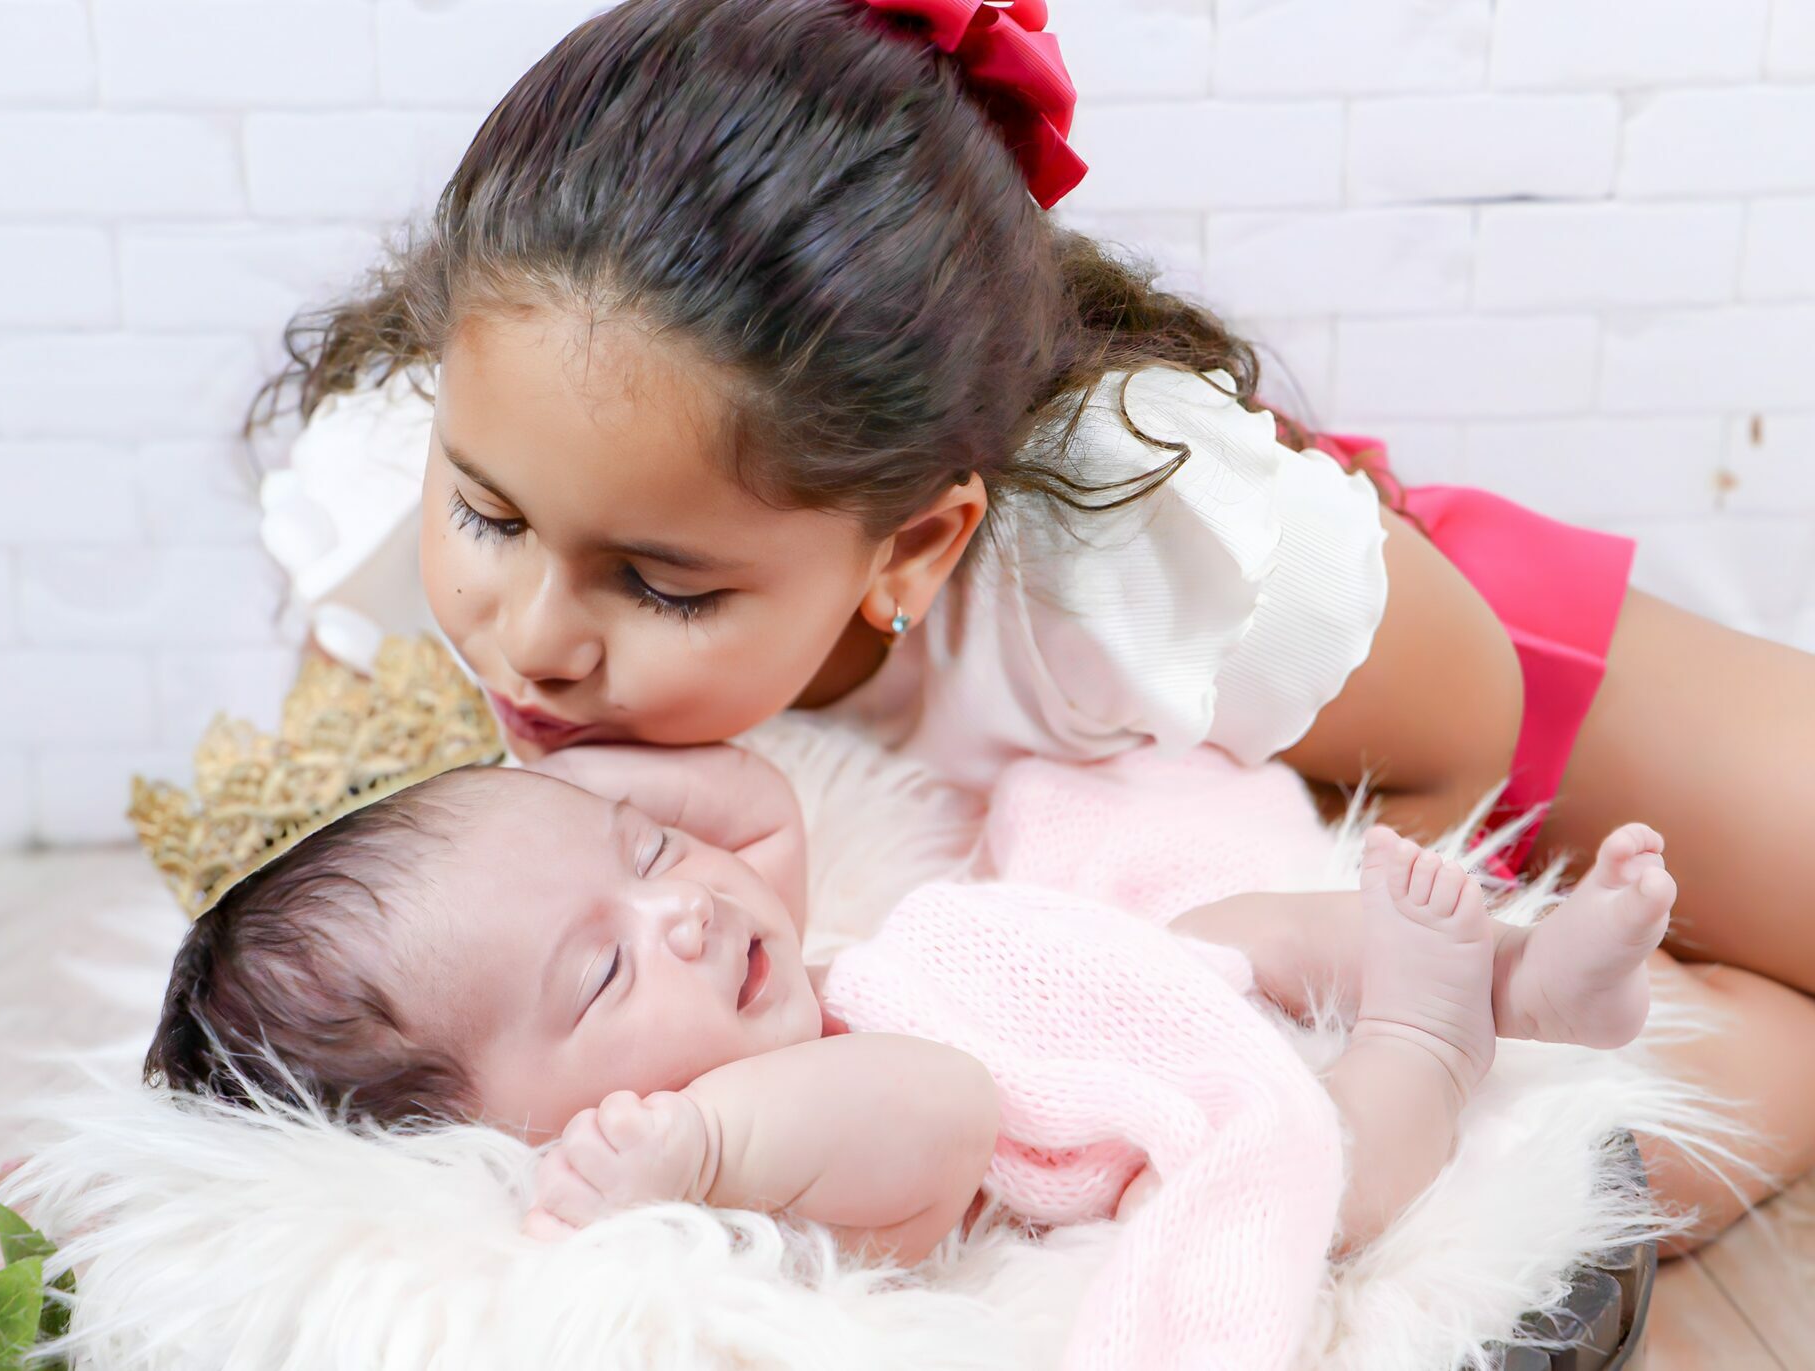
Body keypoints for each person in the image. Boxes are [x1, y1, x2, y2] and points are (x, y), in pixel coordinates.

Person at [251, 0, 1815, 1240]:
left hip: (1400, 694)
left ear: (913, 549)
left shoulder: (1140, 558)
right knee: (1656, 1126)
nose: (532, 641)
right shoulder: (413, 478)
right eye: (489, 517)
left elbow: (1460, 730)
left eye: (662, 585)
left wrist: (1379, 942)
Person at [145, 748, 1675, 1263]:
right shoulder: (727, 1159)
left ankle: (1534, 976)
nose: (689, 907)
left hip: (1104, 985)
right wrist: (697, 1151)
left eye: (648, 852)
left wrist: (577, 790)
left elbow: (759, 814)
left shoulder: (729, 969)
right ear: (506, 1136)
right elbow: (942, 1110)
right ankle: (1432, 1037)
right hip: (1149, 1143)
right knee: (1321, 1157)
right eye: (602, 969)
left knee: (1242, 933)